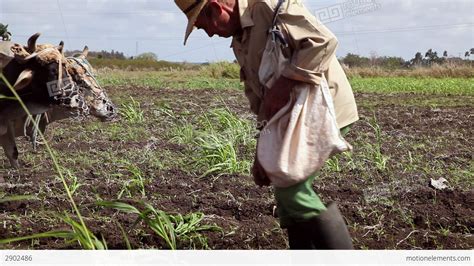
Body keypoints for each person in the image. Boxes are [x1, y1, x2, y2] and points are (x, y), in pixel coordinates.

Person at [174, 0, 359, 249]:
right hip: (291, 115)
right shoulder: (240, 41)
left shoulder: (268, 6)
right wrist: (263, 149)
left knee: (292, 191)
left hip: (322, 108)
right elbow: (261, 98)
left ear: (217, 9)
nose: (208, 33)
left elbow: (323, 41)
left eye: (203, 25)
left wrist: (285, 83)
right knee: (286, 199)